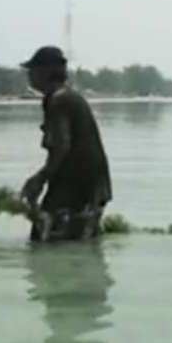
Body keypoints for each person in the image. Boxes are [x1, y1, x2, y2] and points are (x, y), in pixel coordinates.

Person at [20, 46, 112, 241]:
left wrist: (40, 178)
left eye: (32, 70)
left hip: (77, 183)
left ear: (45, 72)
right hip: (89, 181)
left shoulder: (60, 101)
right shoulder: (63, 97)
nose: (29, 75)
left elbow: (62, 145)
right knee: (77, 239)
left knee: (47, 237)